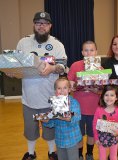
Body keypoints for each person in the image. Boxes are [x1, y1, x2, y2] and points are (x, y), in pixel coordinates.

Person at [16, 12, 67, 160]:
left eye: (45, 23)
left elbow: (63, 66)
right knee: (30, 129)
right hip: (29, 96)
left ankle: (52, 152)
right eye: (38, 23)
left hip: (51, 96)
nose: (41, 26)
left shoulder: (57, 44)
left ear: (50, 26)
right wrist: (12, 72)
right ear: (34, 25)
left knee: (50, 128)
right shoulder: (23, 43)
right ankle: (31, 153)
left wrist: (52, 68)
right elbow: (16, 64)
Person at [67, 41, 100, 160]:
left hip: (94, 108)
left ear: (96, 52)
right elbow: (69, 85)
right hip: (78, 108)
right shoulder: (75, 65)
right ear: (82, 52)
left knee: (91, 133)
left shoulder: (99, 68)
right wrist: (75, 85)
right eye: (86, 50)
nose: (89, 53)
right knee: (79, 134)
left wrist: (95, 89)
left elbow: (102, 90)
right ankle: (79, 154)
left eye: (92, 50)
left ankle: (89, 153)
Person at [42, 77, 82, 160]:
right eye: (59, 88)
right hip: (59, 139)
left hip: (72, 139)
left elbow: (76, 118)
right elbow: (52, 122)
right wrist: (46, 121)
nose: (62, 91)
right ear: (55, 91)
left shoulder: (74, 103)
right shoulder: (55, 104)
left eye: (65, 88)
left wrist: (68, 118)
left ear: (69, 90)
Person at [93, 85, 118, 160]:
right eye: (106, 95)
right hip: (102, 137)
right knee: (102, 157)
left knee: (113, 157)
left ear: (116, 98)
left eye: (112, 95)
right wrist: (96, 138)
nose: (109, 98)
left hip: (114, 137)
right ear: (102, 96)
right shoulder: (99, 109)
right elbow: (94, 124)